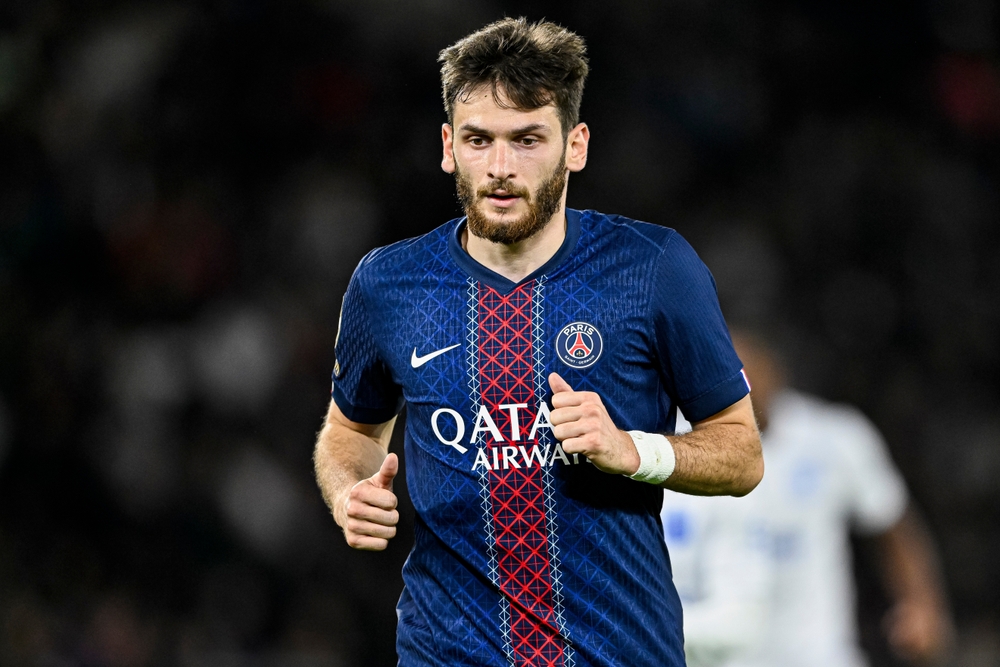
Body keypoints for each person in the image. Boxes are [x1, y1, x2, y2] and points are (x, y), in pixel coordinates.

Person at [313, 18, 763, 667]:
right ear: (448, 146)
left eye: (527, 139)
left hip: (618, 652)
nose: (500, 168)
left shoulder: (653, 269)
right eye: (479, 140)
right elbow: (350, 431)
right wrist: (348, 492)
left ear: (575, 146)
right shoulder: (387, 283)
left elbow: (743, 454)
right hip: (446, 651)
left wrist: (631, 449)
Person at [662, 331, 953, 667]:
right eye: (723, 376)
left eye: (746, 373)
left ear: (775, 371)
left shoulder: (833, 437)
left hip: (817, 655)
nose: (740, 388)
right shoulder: (676, 448)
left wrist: (922, 603)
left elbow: (891, 522)